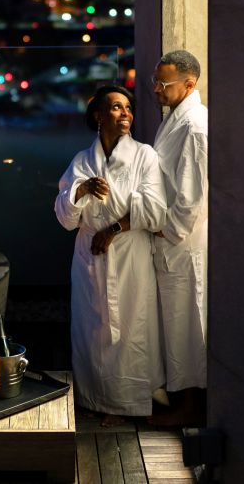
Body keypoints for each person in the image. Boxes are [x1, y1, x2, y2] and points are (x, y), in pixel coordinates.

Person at [54, 85, 167, 426]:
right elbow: (65, 218)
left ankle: (124, 404)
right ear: (98, 116)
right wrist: (83, 189)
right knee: (91, 327)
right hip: (90, 257)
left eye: (129, 108)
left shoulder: (144, 155)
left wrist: (113, 229)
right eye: (117, 108)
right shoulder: (82, 162)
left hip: (129, 254)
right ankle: (93, 398)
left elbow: (155, 210)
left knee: (131, 326)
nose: (126, 114)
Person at [148, 50, 209, 427]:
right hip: (169, 240)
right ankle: (177, 399)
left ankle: (191, 407)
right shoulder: (174, 118)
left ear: (190, 84)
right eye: (155, 81)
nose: (156, 89)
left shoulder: (195, 127)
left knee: (187, 324)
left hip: (183, 244)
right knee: (174, 322)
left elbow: (192, 196)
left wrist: (164, 227)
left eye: (163, 84)